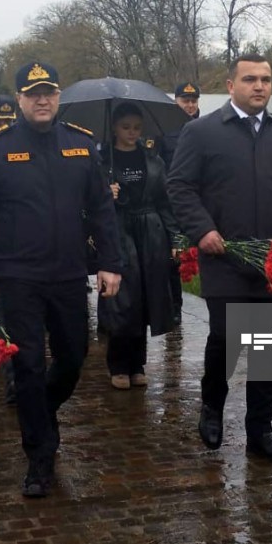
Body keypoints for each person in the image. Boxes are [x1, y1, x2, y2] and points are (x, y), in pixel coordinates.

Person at [0, 61, 123, 498]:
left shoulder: (80, 144)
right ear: (17, 100)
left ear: (57, 96)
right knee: (29, 365)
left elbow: (103, 211)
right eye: (32, 93)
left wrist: (111, 262)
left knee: (73, 357)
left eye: (49, 92)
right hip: (17, 276)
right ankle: (39, 454)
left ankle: (42, 412)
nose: (41, 99)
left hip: (69, 273)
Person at [168, 53, 272, 465]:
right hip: (224, 258)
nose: (260, 86)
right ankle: (212, 408)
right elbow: (180, 187)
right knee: (226, 338)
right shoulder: (202, 132)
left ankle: (261, 429)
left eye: (266, 80)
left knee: (266, 346)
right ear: (230, 85)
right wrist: (202, 230)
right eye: (250, 79)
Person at [100, 101, 177, 390]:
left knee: (145, 298)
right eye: (125, 127)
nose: (131, 133)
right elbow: (87, 203)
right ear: (114, 128)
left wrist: (173, 237)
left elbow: (164, 201)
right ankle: (118, 364)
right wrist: (105, 193)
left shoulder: (154, 161)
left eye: (136, 128)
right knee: (122, 299)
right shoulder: (102, 162)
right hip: (119, 231)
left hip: (150, 231)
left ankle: (138, 363)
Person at [160, 82, 200, 326]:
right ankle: (175, 306)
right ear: (175, 101)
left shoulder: (207, 128)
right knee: (173, 256)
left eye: (193, 100)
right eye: (185, 100)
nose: (190, 104)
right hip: (172, 202)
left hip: (201, 200)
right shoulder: (165, 130)